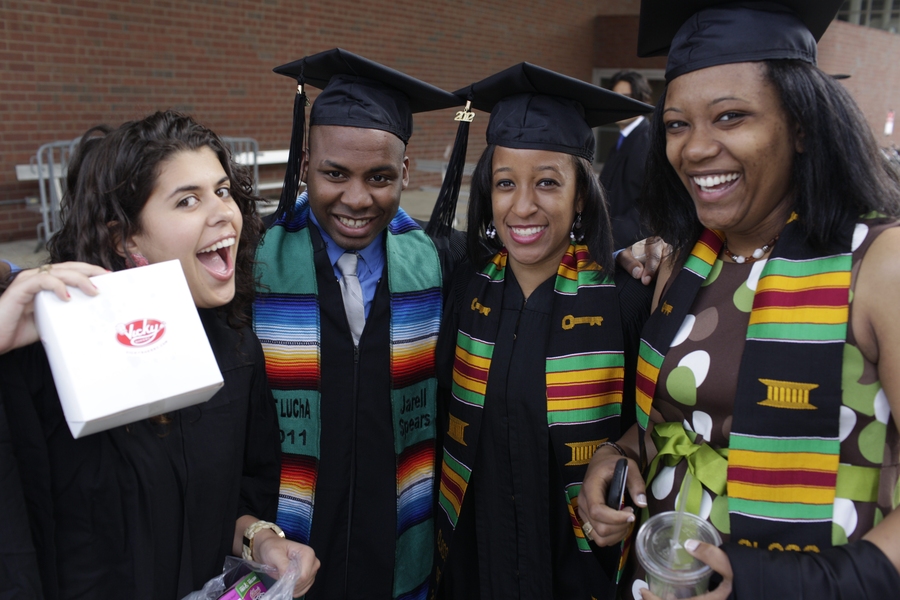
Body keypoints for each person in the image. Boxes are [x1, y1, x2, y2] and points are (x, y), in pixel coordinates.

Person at [579, 1, 900, 598]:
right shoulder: (683, 262)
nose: (695, 149)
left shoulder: (879, 265)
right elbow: (682, 419)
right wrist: (617, 453)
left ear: (802, 126)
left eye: (730, 117)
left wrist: (801, 585)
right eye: (677, 124)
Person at [0, 110, 319, 599]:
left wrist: (260, 538)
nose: (222, 212)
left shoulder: (234, 347)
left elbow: (235, 498)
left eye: (223, 190)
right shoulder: (46, 360)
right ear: (124, 237)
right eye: (187, 199)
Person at [431, 62, 654, 599]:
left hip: (580, 573)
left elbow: (656, 428)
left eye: (548, 182)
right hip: (474, 565)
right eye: (506, 183)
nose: (523, 204)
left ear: (581, 195)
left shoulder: (624, 298)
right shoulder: (464, 288)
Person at [252, 49, 461, 600]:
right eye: (334, 173)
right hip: (288, 550)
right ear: (303, 169)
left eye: (380, 177)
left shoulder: (441, 264)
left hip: (393, 548)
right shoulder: (254, 266)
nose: (357, 198)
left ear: (405, 175)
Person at [600, 70, 653, 250]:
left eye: (626, 97)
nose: (619, 103)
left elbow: (649, 206)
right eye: (614, 97)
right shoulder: (623, 141)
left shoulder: (646, 140)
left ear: (642, 100)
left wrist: (610, 238)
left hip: (627, 249)